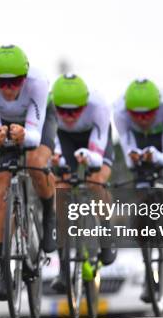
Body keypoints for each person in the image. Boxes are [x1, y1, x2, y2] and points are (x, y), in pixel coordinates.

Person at [0, 44, 57, 301]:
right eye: (2, 83)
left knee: (34, 161)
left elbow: (34, 131)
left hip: (37, 125)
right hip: (5, 127)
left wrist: (25, 134)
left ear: (26, 76)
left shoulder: (38, 83)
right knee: (2, 191)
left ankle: (50, 214)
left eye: (15, 82)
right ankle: (3, 271)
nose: (9, 89)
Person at [113, 78, 163, 301]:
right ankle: (149, 274)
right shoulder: (119, 112)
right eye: (136, 115)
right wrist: (138, 157)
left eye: (148, 114)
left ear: (157, 108)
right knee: (140, 206)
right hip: (139, 141)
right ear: (128, 110)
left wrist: (155, 156)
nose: (142, 119)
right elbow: (130, 156)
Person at [49, 73, 116, 292]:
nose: (69, 116)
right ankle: (63, 269)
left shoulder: (99, 108)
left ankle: (106, 235)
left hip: (94, 140)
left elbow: (97, 154)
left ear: (85, 104)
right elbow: (52, 141)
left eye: (75, 110)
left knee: (95, 181)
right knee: (61, 187)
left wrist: (89, 157)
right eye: (63, 111)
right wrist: (57, 160)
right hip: (65, 139)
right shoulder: (49, 105)